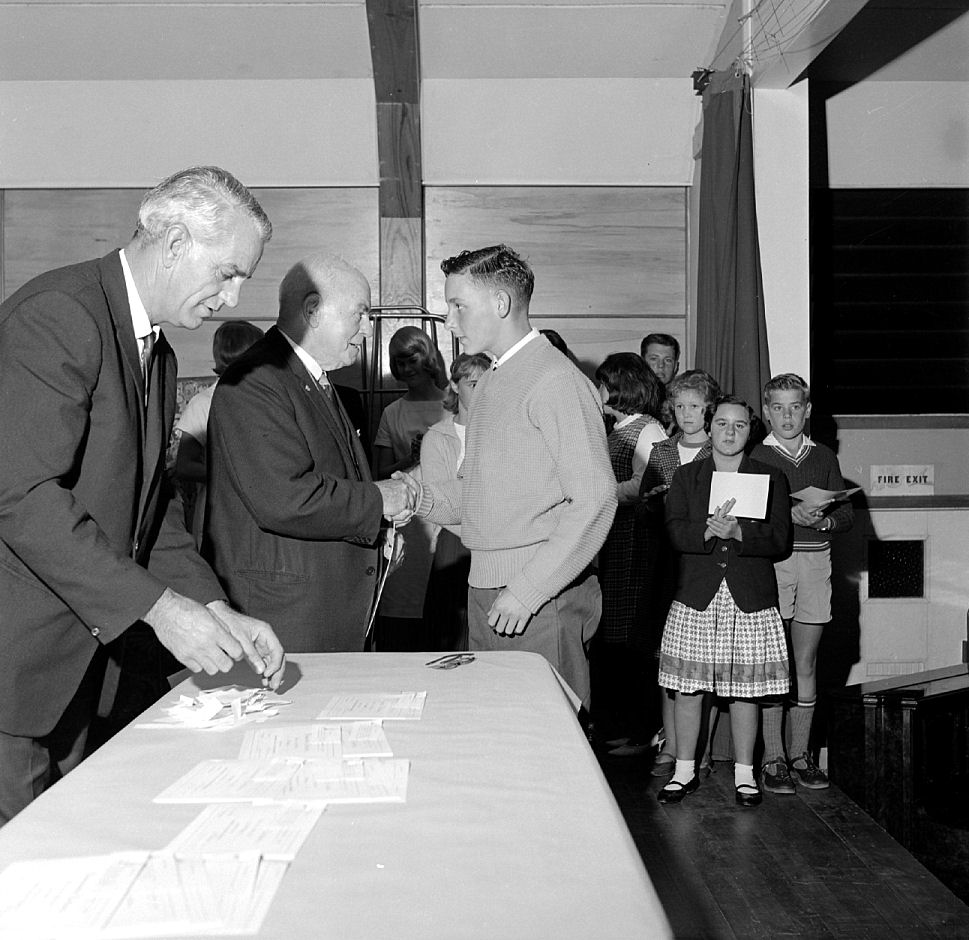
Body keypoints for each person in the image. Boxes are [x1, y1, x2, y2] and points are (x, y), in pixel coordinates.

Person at [0, 166, 286, 825]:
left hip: (73, 668)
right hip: (17, 667)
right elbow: (21, 498)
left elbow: (148, 515)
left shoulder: (154, 350)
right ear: (177, 241)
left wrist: (215, 608)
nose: (232, 296)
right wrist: (159, 608)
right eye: (228, 273)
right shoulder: (60, 316)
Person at [404, 245, 617, 708]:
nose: (449, 321)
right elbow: (480, 499)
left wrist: (528, 590)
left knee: (547, 744)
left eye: (458, 306)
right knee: (502, 733)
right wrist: (413, 496)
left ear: (500, 304)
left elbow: (596, 500)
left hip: (538, 597)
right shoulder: (496, 379)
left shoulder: (555, 380)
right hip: (487, 591)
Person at [203, 253, 416, 654]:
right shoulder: (255, 382)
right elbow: (284, 498)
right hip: (287, 621)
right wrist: (378, 499)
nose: (367, 330)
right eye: (360, 314)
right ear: (314, 311)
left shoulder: (311, 377)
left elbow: (331, 480)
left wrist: (378, 529)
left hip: (327, 611)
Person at [656, 396, 791, 808]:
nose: (729, 432)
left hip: (749, 597)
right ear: (708, 428)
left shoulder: (770, 477)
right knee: (688, 689)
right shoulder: (687, 478)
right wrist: (709, 531)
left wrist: (740, 535)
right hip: (697, 597)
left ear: (751, 431)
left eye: (739, 425)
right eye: (721, 424)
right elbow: (674, 533)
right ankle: (684, 771)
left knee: (746, 691)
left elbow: (781, 541)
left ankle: (746, 775)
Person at [751, 373, 854, 793]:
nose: (787, 415)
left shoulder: (824, 455)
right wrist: (787, 516)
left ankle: (800, 754)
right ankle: (773, 758)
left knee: (805, 663)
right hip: (775, 565)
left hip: (816, 563)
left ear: (807, 410)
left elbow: (847, 516)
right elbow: (748, 517)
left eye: (795, 406)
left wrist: (826, 519)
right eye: (778, 407)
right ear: (767, 411)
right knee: (776, 665)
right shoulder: (758, 455)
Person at [636, 369, 719, 769]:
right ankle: (670, 743)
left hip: (703, 565)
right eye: (680, 405)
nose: (687, 414)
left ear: (709, 410)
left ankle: (699, 747)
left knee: (703, 660)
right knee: (665, 658)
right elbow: (643, 513)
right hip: (665, 563)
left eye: (695, 406)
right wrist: (653, 502)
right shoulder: (663, 451)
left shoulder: (718, 452)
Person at [592, 353, 666, 750]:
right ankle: (624, 727)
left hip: (636, 542)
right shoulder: (618, 428)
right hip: (615, 538)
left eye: (603, 383)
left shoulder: (650, 430)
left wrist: (598, 494)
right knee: (615, 639)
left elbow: (653, 484)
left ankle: (639, 730)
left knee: (631, 639)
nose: (598, 390)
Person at [371, 326, 449, 649]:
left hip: (448, 517)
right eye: (399, 363)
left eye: (412, 359)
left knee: (445, 612)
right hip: (409, 521)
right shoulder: (393, 413)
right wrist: (409, 457)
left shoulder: (453, 404)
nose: (407, 369)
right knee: (404, 613)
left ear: (427, 356)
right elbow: (378, 473)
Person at [420, 352, 492, 650]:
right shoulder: (438, 437)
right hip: (457, 542)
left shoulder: (501, 430)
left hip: (495, 541)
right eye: (473, 383)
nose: (481, 390)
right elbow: (437, 500)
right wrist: (479, 536)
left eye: (487, 383)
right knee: (450, 637)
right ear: (455, 385)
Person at [173, 320, 265, 545]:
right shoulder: (204, 403)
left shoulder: (266, 402)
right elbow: (185, 466)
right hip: (220, 512)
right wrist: (234, 477)